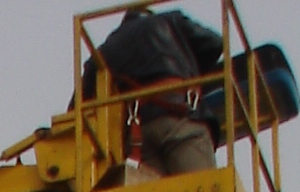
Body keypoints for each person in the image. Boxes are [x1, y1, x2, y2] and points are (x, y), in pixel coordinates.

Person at [90, 9, 222, 176]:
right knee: (202, 189)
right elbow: (215, 43)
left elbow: (81, 101)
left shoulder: (104, 51)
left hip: (138, 134)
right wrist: (190, 71)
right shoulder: (169, 20)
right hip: (180, 115)